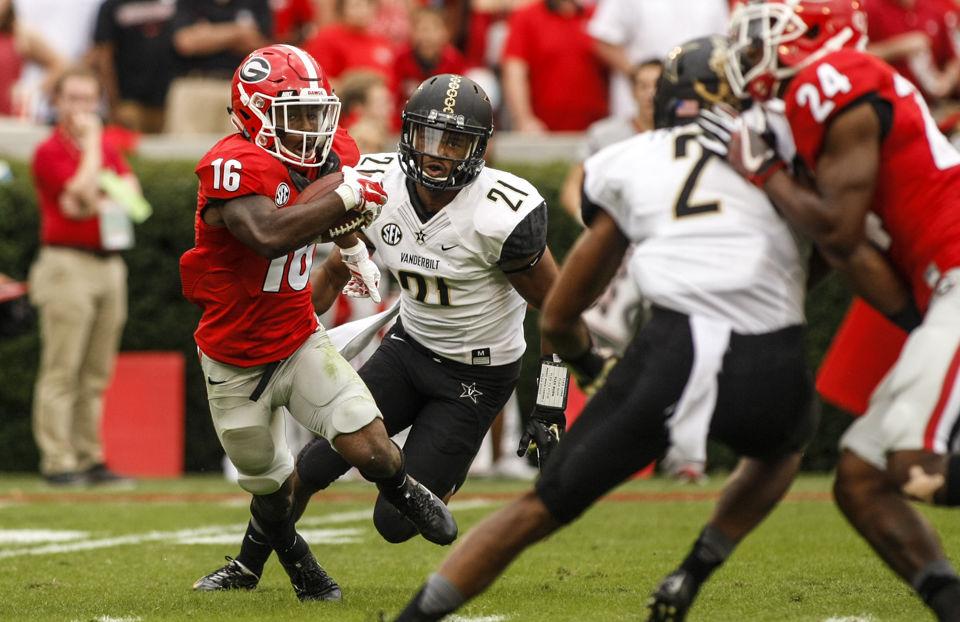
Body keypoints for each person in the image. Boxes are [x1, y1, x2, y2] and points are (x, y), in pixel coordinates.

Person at [392, 36, 818, 622]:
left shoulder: (629, 158)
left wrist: (585, 374)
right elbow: (833, 238)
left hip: (670, 351)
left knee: (539, 509)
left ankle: (416, 616)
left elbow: (563, 314)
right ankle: (695, 569)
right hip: (769, 350)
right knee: (786, 448)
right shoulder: (781, 141)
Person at [192, 72, 576, 591]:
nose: (438, 155)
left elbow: (556, 310)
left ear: (479, 148)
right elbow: (333, 271)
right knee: (312, 464)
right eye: (428, 137)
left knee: (394, 523)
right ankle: (248, 564)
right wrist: (291, 342)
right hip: (409, 348)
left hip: (477, 377)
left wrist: (550, 404)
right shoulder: (379, 182)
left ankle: (439, 474)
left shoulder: (500, 212)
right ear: (407, 133)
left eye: (455, 142)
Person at [705, 0, 960, 618]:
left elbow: (839, 231)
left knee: (913, 464)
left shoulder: (830, 78)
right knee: (861, 480)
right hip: (942, 288)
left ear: (819, 38)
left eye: (769, 38)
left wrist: (765, 171)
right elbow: (851, 256)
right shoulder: (829, 100)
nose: (749, 57)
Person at [179, 44, 456, 602]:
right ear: (252, 113)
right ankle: (300, 565)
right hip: (233, 359)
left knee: (372, 445)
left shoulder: (330, 153)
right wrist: (344, 198)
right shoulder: (234, 164)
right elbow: (268, 233)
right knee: (271, 486)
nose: (309, 127)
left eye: (314, 113)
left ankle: (400, 486)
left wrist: (351, 248)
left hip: (298, 338)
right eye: (293, 115)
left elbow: (334, 208)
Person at [29, 66, 143, 487]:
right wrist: (95, 151)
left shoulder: (107, 150)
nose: (81, 109)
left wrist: (93, 190)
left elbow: (132, 198)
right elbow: (76, 197)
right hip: (66, 265)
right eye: (72, 99)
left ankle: (89, 456)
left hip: (108, 263)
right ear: (57, 102)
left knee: (95, 371)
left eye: (87, 99)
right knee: (62, 368)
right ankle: (59, 460)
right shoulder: (50, 151)